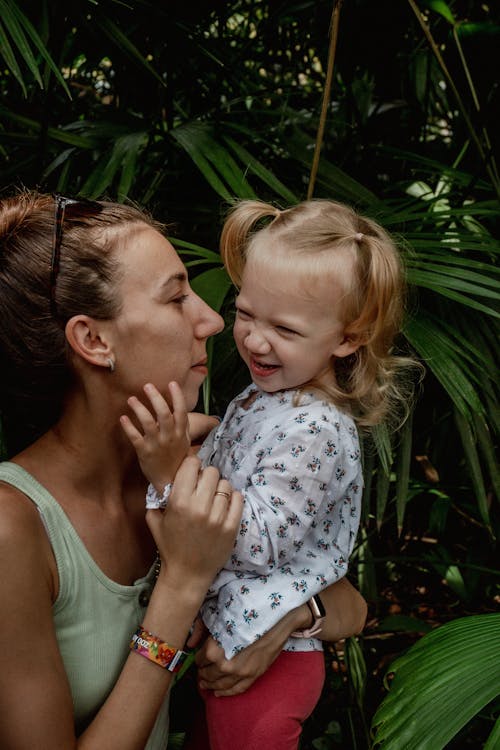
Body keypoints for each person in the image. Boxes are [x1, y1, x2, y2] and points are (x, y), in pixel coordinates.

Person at [0, 191, 366, 750]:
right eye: (176, 298)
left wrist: (287, 620)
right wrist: (184, 584)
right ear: (94, 341)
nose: (215, 319)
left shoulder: (186, 461)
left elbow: (350, 605)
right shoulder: (14, 527)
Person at [123, 198, 411, 750]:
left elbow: (253, 544)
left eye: (284, 327)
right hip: (236, 639)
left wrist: (168, 472)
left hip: (269, 669)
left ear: (348, 338)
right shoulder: (269, 397)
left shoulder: (317, 430)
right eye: (247, 313)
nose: (255, 340)